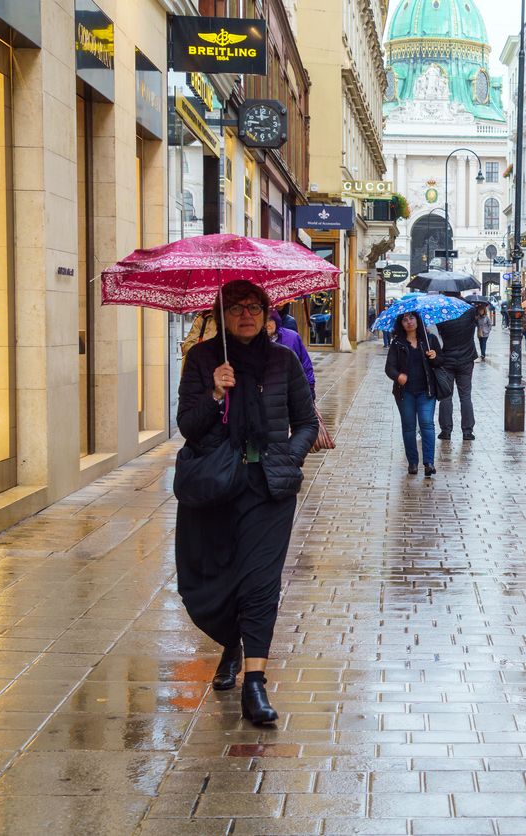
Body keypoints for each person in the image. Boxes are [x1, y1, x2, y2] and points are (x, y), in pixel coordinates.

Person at [175, 280, 318, 725]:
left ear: (266, 312)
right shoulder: (201, 360)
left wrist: (287, 458)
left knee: (260, 582)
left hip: (268, 489)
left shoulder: (283, 360)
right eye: (235, 308)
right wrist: (216, 393)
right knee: (207, 582)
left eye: (254, 306)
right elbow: (188, 427)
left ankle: (254, 683)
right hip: (214, 488)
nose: (246, 315)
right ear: (221, 314)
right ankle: (231, 645)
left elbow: (307, 422)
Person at [384, 311, 442, 477]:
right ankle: (413, 462)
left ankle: (429, 463)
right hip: (405, 392)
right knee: (409, 427)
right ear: (401, 324)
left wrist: (435, 356)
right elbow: (389, 368)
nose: (409, 322)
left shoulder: (429, 340)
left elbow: (440, 362)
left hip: (426, 391)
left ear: (418, 320)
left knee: (427, 424)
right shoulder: (397, 344)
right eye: (405, 319)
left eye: (412, 318)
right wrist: (398, 376)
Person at [436, 294, 483, 442]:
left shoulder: (442, 312)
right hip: (466, 360)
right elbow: (478, 322)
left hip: (446, 360)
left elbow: (438, 334)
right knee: (465, 396)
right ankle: (467, 431)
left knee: (446, 396)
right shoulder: (469, 311)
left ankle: (446, 430)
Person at [268, 309, 315, 399]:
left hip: (292, 389)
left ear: (276, 320)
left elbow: (305, 364)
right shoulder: (255, 342)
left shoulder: (292, 337)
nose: (267, 324)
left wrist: (310, 388)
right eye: (263, 320)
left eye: (270, 319)